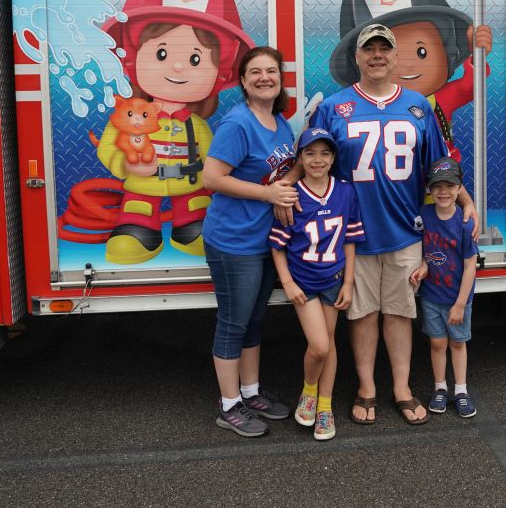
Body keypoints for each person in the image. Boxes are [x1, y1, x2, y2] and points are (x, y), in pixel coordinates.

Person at [287, 23, 479, 427]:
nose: (377, 55)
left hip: (404, 232)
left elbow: (437, 163)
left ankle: (402, 388)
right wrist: (281, 190)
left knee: (398, 312)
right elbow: (310, 160)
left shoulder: (417, 106)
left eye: (384, 49)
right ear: (356, 58)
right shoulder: (334, 107)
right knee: (362, 314)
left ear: (395, 57)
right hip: (352, 236)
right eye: (368, 48)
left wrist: (465, 199)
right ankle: (367, 388)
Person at [96, 0, 256, 263]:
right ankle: (138, 229)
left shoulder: (197, 124)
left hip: (191, 188)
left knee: (197, 222)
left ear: (219, 71)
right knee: (135, 220)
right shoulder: (128, 117)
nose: (179, 66)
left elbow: (214, 159)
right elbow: (107, 149)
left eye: (196, 59)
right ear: (132, 57)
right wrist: (126, 165)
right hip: (141, 189)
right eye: (161, 53)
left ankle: (190, 225)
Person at [201, 46, 299, 437]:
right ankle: (228, 406)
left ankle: (251, 392)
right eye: (254, 72)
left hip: (264, 242)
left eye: (271, 71)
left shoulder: (280, 122)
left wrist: (287, 187)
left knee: (255, 320)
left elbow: (285, 172)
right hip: (233, 241)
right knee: (233, 322)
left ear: (280, 78)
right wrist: (270, 195)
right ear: (242, 81)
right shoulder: (238, 123)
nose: (264, 78)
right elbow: (212, 178)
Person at [329, 0, 493, 162]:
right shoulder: (352, 106)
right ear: (358, 59)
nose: (408, 65)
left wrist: (478, 55)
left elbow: (469, 86)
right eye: (374, 50)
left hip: (437, 184)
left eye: (421, 52)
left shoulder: (436, 102)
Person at [268, 128, 364, 441]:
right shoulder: (292, 196)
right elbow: (278, 245)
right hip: (305, 283)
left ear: (334, 157)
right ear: (300, 158)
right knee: (320, 345)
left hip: (333, 279)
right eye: (310, 153)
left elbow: (350, 240)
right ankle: (309, 391)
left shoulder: (346, 192)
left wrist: (348, 282)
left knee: (329, 344)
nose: (317, 160)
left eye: (324, 153)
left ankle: (325, 406)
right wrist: (287, 282)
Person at [418, 157, 480, 419]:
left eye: (450, 186)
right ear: (429, 189)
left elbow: (470, 267)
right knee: (437, 343)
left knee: (457, 343)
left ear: (459, 189)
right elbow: (421, 249)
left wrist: (459, 304)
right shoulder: (424, 215)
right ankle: (440, 388)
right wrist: (422, 265)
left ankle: (461, 391)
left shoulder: (466, 224)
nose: (443, 192)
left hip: (457, 298)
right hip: (432, 296)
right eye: (437, 186)